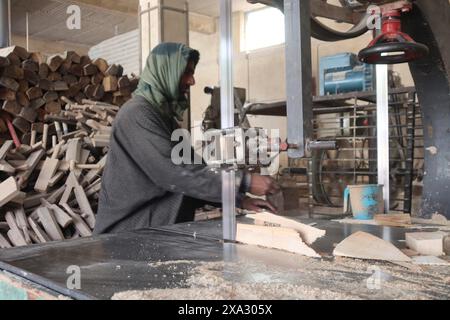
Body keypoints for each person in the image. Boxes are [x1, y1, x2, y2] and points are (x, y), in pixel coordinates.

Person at [94, 43, 280, 235]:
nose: (192, 81)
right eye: (186, 72)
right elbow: (175, 174)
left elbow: (194, 171)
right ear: (166, 72)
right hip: (127, 234)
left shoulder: (165, 118)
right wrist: (244, 182)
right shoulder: (137, 114)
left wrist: (239, 198)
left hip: (154, 231)